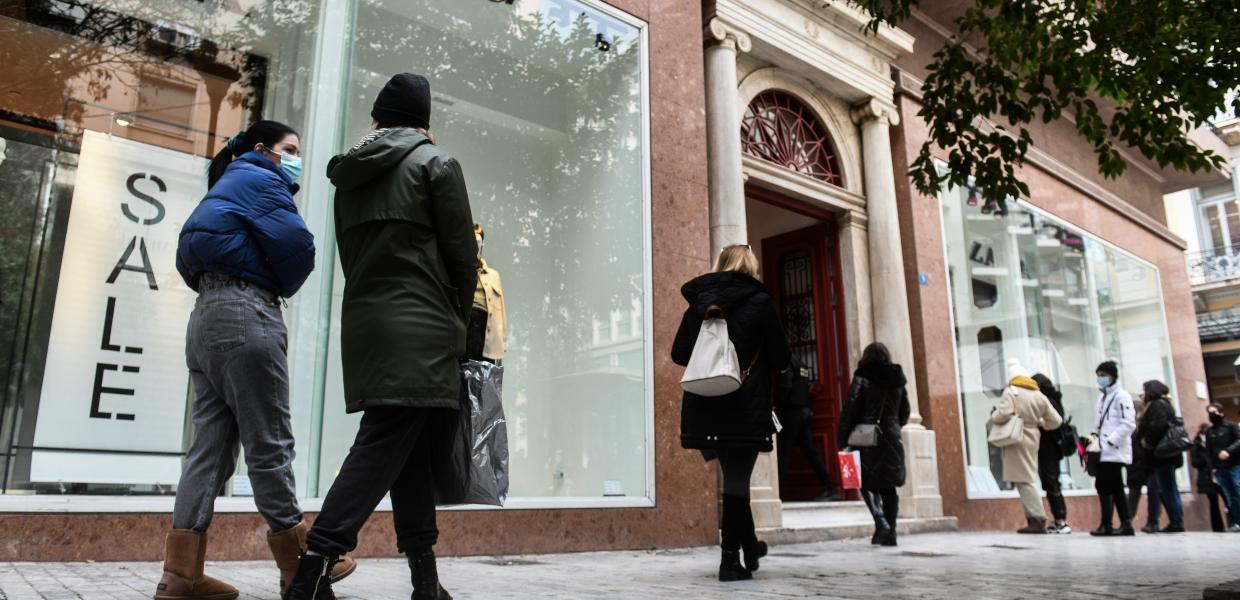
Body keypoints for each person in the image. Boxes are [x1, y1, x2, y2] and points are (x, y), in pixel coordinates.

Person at [284, 74, 478, 600]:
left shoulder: (349, 176)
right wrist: (456, 326)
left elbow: (353, 259)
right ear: (423, 120)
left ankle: (426, 582)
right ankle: (312, 568)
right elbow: (464, 261)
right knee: (380, 447)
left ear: (379, 117)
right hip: (424, 326)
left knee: (407, 454)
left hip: (368, 322)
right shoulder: (437, 164)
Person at [163, 121, 355, 600]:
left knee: (208, 450)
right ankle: (300, 566)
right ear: (262, 149)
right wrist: (271, 277)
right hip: (247, 314)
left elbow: (187, 258)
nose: (295, 159)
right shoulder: (261, 179)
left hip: (204, 318)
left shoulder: (223, 187)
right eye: (290, 149)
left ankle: (180, 574)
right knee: (269, 442)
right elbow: (300, 249)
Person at [672, 244, 791, 582]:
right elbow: (781, 358)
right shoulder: (760, 302)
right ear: (750, 268)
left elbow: (679, 354)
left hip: (707, 404)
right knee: (737, 483)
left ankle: (750, 547)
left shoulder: (698, 304)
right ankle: (728, 561)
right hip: (745, 405)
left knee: (735, 480)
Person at [838, 342, 911, 547]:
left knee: (866, 481)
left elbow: (851, 408)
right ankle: (891, 533)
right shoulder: (897, 379)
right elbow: (905, 410)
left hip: (867, 437)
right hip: (891, 435)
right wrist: (894, 426)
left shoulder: (862, 376)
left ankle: (880, 522)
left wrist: (843, 437)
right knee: (889, 486)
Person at [992, 363, 1063, 534]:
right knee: (1025, 475)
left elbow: (1002, 414)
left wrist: (994, 415)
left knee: (1023, 478)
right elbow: (1056, 421)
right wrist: (1040, 423)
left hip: (1016, 437)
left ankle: (1037, 518)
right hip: (1033, 436)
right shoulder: (1038, 395)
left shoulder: (1012, 392)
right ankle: (1033, 518)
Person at [776, 354, 839, 501]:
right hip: (803, 411)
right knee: (809, 451)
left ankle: (776, 492)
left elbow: (785, 386)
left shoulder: (787, 361)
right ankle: (829, 487)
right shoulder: (802, 363)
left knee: (784, 451)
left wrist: (777, 403)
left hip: (791, 411)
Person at [1089, 361, 1137, 537]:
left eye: (1103, 375)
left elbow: (1129, 423)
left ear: (1113, 376)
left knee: (1103, 485)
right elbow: (1099, 423)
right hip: (1103, 450)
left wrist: (1110, 441)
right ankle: (1126, 524)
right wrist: (1093, 439)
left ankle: (1107, 524)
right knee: (1116, 488)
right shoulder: (1102, 397)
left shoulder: (1121, 396)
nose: (1100, 379)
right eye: (1098, 375)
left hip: (1113, 451)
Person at [1133, 381, 1184, 533]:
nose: (1143, 394)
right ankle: (1176, 520)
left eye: (1145, 390)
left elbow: (1158, 426)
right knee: (1169, 488)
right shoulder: (1164, 404)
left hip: (1161, 454)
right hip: (1164, 454)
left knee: (1167, 488)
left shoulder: (1157, 405)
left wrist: (1146, 441)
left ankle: (1176, 522)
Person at [1031, 373, 1070, 533]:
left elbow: (1055, 422)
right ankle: (1059, 519)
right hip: (1050, 448)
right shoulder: (1053, 399)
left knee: (1051, 483)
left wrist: (1039, 422)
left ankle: (1061, 520)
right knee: (1051, 483)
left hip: (1049, 448)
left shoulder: (1048, 401)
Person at [1126, 393, 1164, 534]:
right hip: (1137, 465)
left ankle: (1151, 520)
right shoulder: (1132, 429)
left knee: (1151, 493)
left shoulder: (1143, 427)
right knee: (1138, 493)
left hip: (1144, 464)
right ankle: (1131, 520)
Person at [1205, 403, 1240, 533]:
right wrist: (1212, 467)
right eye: (1209, 412)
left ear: (1221, 412)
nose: (1212, 415)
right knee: (1230, 497)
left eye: (1214, 412)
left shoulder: (1231, 426)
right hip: (1220, 469)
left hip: (1235, 465)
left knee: (1238, 491)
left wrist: (1228, 451)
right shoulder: (1209, 432)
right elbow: (1208, 451)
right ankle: (1238, 522)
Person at [1192, 422, 1228, 532]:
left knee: (1229, 499)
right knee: (1213, 502)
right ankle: (1218, 528)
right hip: (1207, 477)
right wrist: (1205, 457)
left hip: (1219, 473)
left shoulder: (1215, 442)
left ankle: (1234, 522)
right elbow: (1195, 462)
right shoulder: (1196, 444)